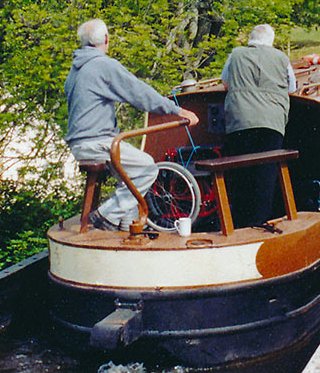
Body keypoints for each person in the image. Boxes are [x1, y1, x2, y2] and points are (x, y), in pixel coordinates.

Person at [65, 19, 198, 231]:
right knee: (146, 168)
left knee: (129, 176)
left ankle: (127, 227)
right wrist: (177, 110)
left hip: (79, 143)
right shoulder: (103, 65)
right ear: (106, 39)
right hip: (97, 142)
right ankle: (105, 217)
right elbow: (138, 93)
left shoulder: (75, 70)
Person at [221, 24, 297, 227]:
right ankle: (261, 222)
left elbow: (226, 83)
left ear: (251, 39)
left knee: (241, 172)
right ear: (270, 40)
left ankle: (239, 224)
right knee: (266, 173)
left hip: (240, 120)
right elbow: (291, 87)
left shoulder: (235, 55)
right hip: (271, 122)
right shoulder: (281, 58)